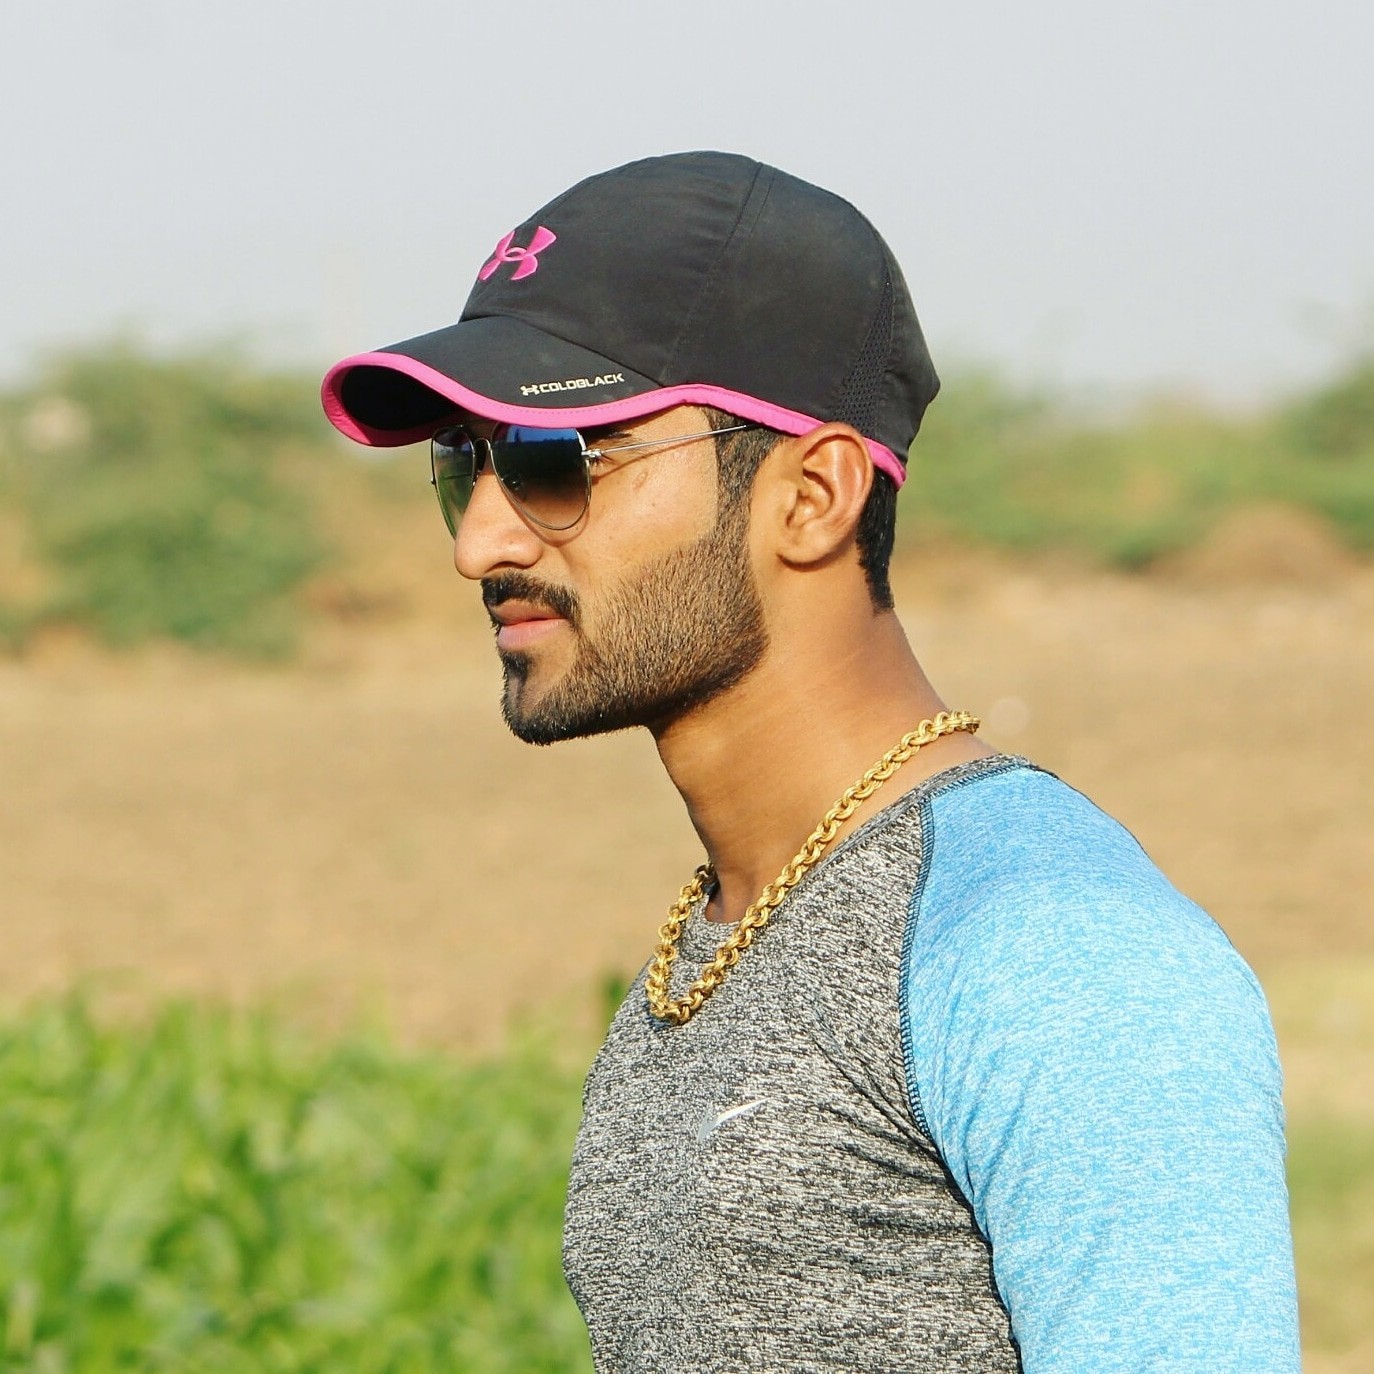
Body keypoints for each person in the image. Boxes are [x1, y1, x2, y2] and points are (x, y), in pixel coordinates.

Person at [321, 151, 1299, 1372]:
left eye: (554, 460)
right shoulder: (721, 935)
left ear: (816, 493)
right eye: (465, 465)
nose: (480, 544)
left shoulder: (1051, 945)